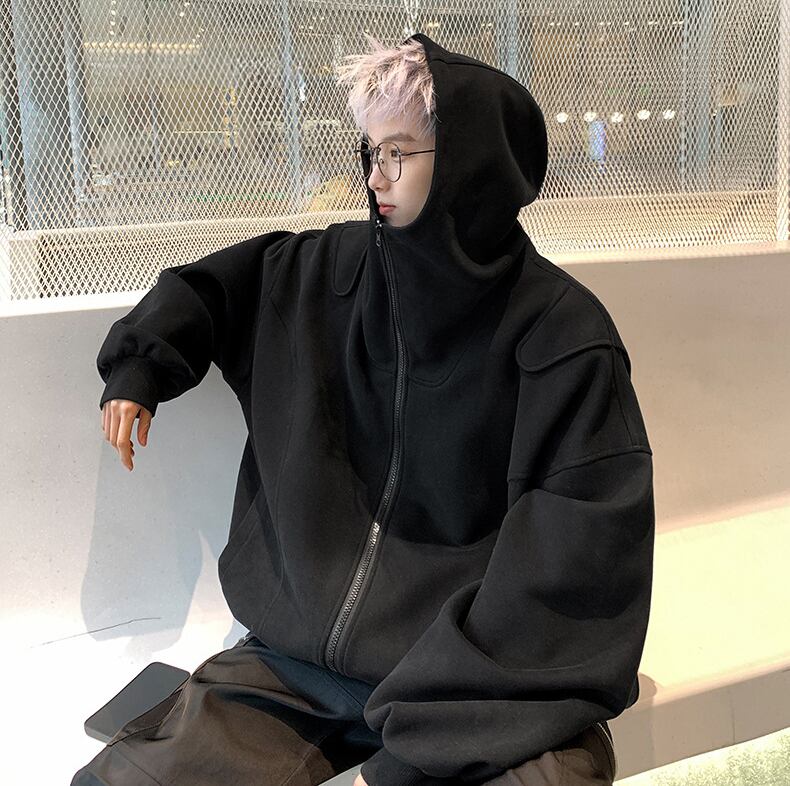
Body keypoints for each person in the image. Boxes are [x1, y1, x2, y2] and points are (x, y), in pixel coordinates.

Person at [74, 31, 653, 786]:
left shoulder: (562, 337)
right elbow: (211, 290)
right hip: (291, 663)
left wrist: (417, 747)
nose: (375, 174)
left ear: (470, 164)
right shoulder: (328, 271)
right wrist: (139, 367)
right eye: (371, 151)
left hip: (469, 679)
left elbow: (580, 552)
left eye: (399, 152)